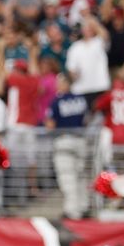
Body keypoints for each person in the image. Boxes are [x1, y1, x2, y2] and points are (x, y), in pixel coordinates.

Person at [45, 73, 90, 219]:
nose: (57, 85)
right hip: (81, 140)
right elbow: (86, 120)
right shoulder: (81, 99)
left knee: (67, 177)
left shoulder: (57, 101)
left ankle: (72, 211)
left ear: (66, 83)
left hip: (64, 140)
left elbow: (50, 125)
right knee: (80, 175)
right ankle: (84, 206)